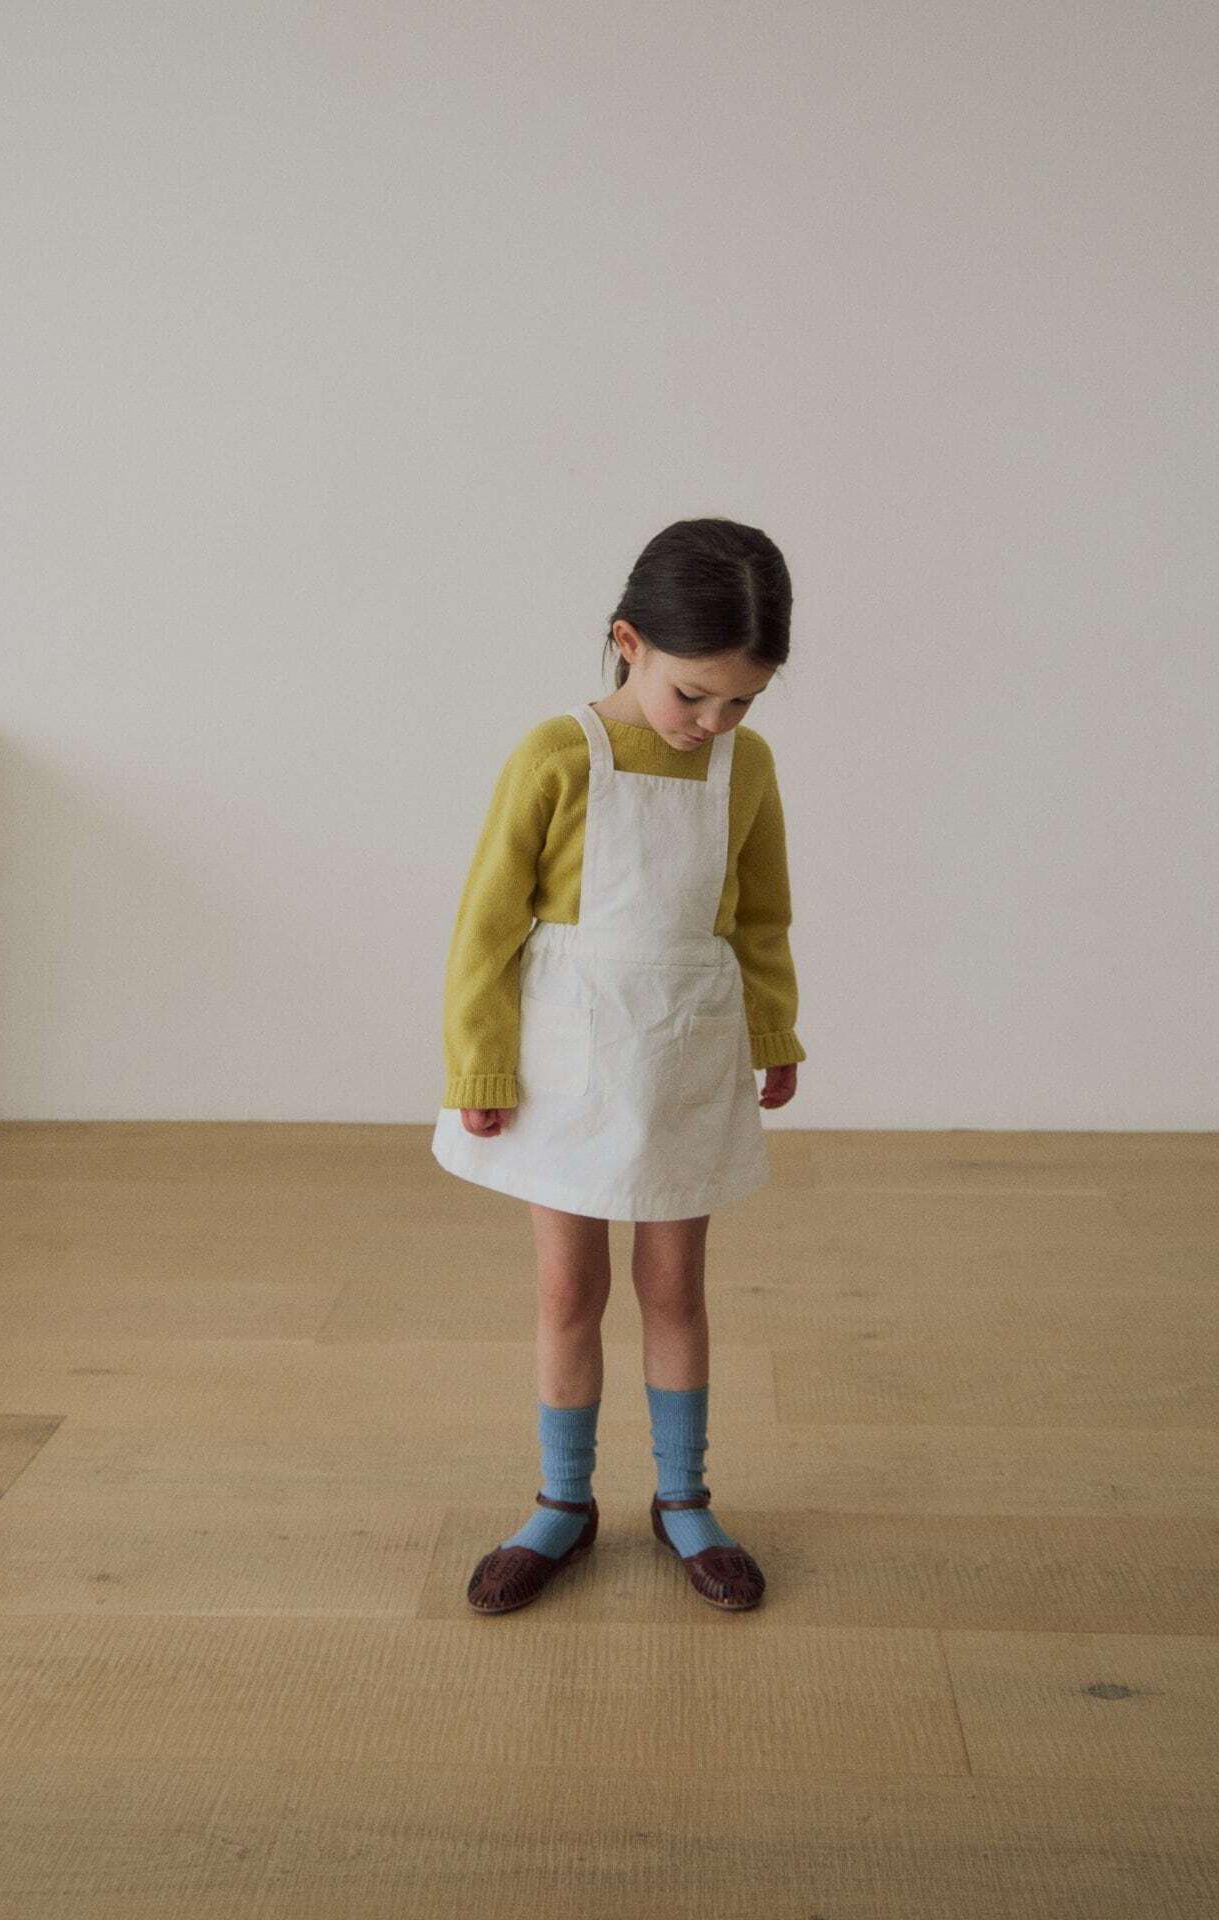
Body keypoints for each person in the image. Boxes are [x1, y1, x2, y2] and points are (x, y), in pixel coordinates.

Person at [431, 517, 805, 1614]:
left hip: (685, 1054)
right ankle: (563, 1500)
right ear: (627, 642)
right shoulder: (555, 756)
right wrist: (479, 1064)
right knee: (569, 1288)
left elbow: (761, 915)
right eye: (693, 694)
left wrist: (773, 1032)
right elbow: (485, 927)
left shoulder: (746, 767)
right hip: (565, 1064)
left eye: (741, 702)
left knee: (674, 1284)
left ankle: (683, 1497)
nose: (712, 723)